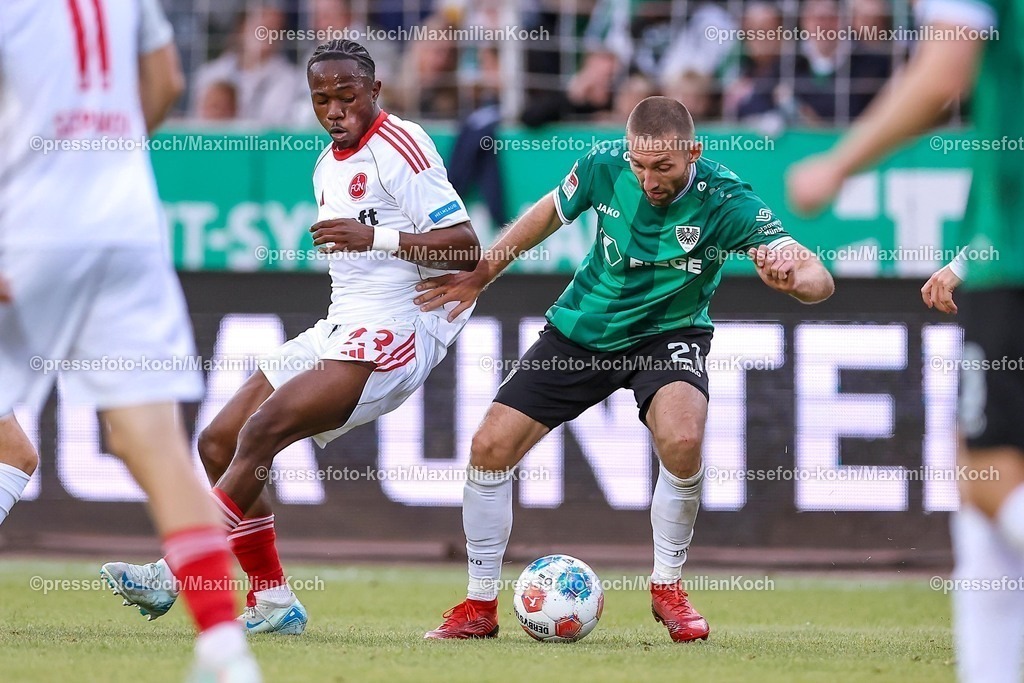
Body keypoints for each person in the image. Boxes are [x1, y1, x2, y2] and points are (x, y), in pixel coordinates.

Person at [417, 96, 834, 641]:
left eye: (662, 167)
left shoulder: (727, 200)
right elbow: (546, 212)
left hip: (668, 335)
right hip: (583, 332)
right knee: (488, 447)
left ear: (693, 153)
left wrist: (793, 277)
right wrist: (481, 275)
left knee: (683, 439)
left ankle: (667, 587)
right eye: (639, 164)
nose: (648, 178)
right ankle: (478, 605)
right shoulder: (603, 164)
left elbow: (815, 276)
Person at [101, 39, 480, 636]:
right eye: (321, 99)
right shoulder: (327, 164)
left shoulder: (402, 146)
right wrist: (361, 244)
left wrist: (373, 239)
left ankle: (175, 569)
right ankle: (275, 602)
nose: (334, 111)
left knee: (264, 431)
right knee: (219, 440)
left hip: (398, 328)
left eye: (347, 97)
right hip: (341, 322)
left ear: (375, 91)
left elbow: (465, 245)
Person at [0, 0, 260, 680]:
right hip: (126, 224)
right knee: (150, 439)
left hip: (24, 228)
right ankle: (224, 648)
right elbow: (168, 82)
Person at [785, 2, 1019, 680]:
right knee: (979, 497)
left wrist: (837, 164)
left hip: (1015, 260)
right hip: (997, 252)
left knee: (985, 478)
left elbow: (942, 71)